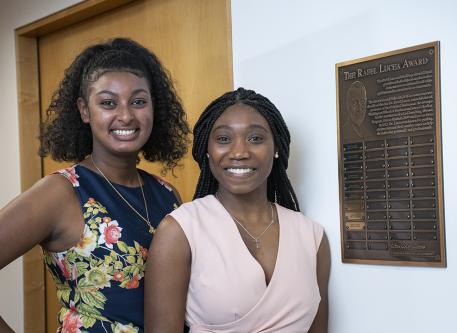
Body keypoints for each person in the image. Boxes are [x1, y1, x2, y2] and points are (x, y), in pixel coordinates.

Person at [0, 38, 190, 332]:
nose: (126, 115)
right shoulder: (62, 192)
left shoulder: (167, 194)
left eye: (138, 101)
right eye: (108, 103)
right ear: (84, 111)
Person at [145, 87, 331, 332]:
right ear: (207, 150)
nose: (240, 152)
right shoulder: (180, 231)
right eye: (223, 139)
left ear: (276, 148)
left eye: (255, 138)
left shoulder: (312, 237)